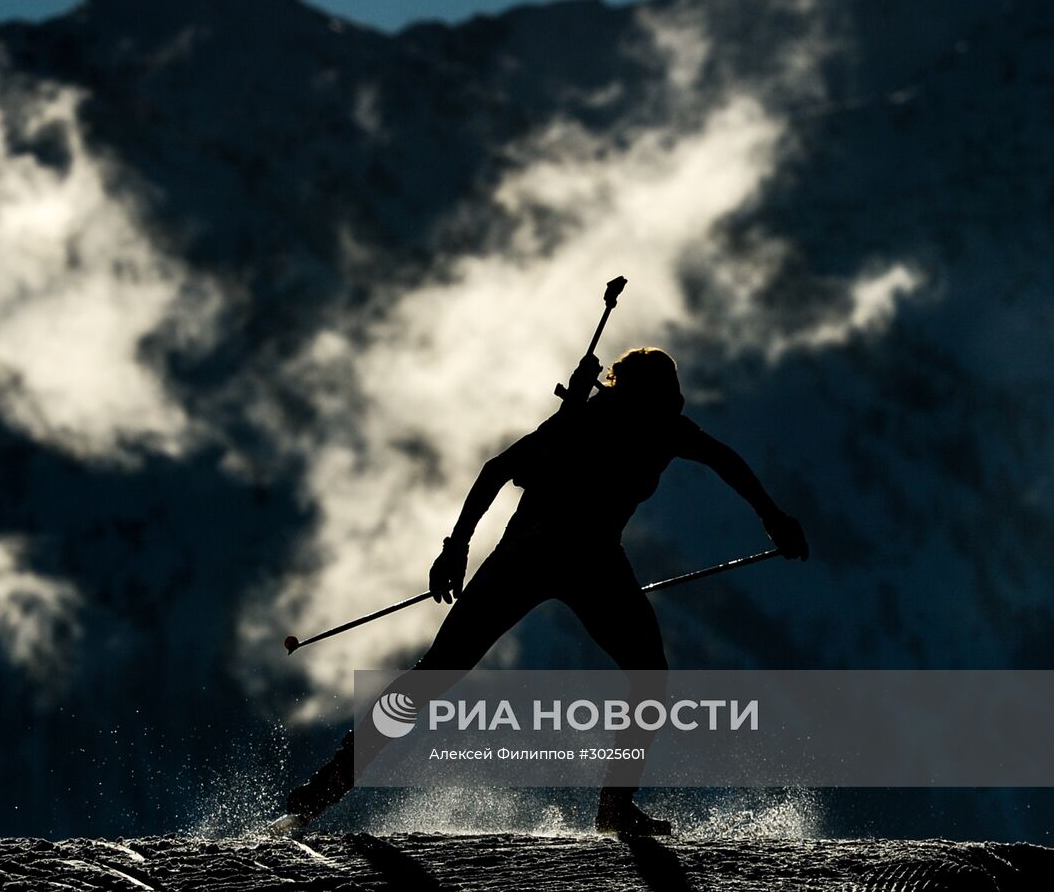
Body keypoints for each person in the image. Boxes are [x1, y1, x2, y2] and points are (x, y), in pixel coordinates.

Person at [279, 347, 809, 835]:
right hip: (568, 558)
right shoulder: (626, 425)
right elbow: (500, 469)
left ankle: (323, 790)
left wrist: (457, 547)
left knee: (440, 673)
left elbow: (499, 470)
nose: (659, 409)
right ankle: (615, 805)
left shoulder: (605, 420)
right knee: (644, 674)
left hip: (541, 557)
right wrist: (773, 518)